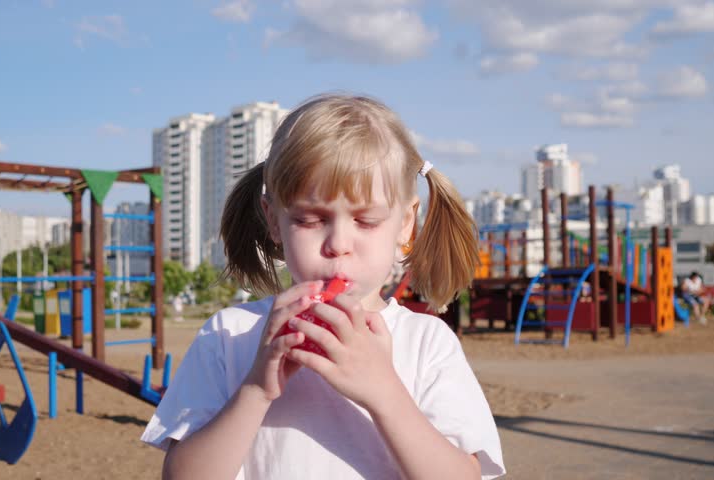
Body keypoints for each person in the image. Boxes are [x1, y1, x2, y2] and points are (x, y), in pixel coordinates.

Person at [141, 94, 505, 479]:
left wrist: (385, 393)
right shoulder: (230, 336)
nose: (338, 244)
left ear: (405, 223)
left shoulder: (426, 343)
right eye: (310, 220)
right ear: (274, 221)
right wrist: (255, 391)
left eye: (366, 221)